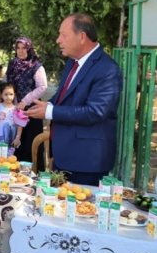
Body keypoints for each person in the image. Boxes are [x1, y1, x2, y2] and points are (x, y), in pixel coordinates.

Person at [25, 13, 123, 185]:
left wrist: (50, 111)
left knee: (81, 211)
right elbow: (64, 95)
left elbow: (95, 112)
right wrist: (49, 104)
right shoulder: (72, 62)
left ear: (82, 36)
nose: (58, 40)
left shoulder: (108, 69)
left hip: (86, 162)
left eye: (63, 35)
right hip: (63, 156)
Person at [5, 36, 47, 165]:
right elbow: (7, 83)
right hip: (15, 109)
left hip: (32, 112)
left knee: (31, 145)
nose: (20, 51)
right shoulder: (13, 64)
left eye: (24, 48)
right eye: (18, 48)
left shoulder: (36, 66)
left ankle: (33, 177)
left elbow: (42, 87)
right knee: (15, 146)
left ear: (29, 49)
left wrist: (25, 101)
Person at [0, 83, 23, 148]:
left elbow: (20, 125)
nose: (8, 97)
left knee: (9, 158)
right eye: (6, 94)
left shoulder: (16, 109)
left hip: (11, 141)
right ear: (1, 95)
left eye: (11, 94)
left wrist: (17, 138)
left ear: (14, 95)